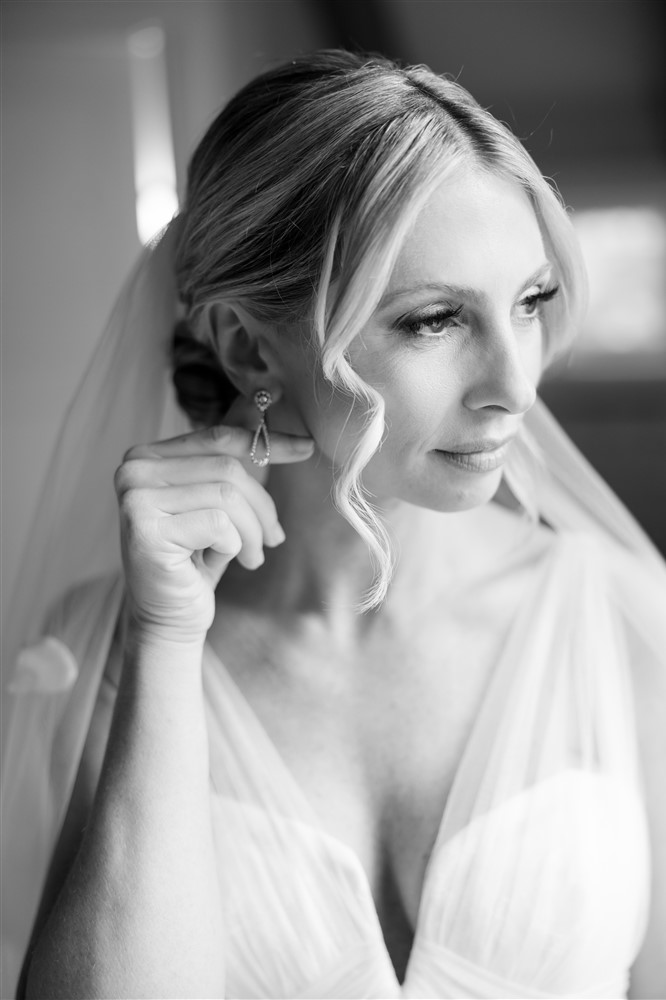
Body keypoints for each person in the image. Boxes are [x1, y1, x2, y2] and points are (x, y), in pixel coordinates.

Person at [1, 49, 664, 1000]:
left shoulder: (630, 628)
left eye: (528, 302)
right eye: (435, 320)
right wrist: (167, 645)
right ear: (245, 344)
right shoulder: (97, 662)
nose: (515, 387)